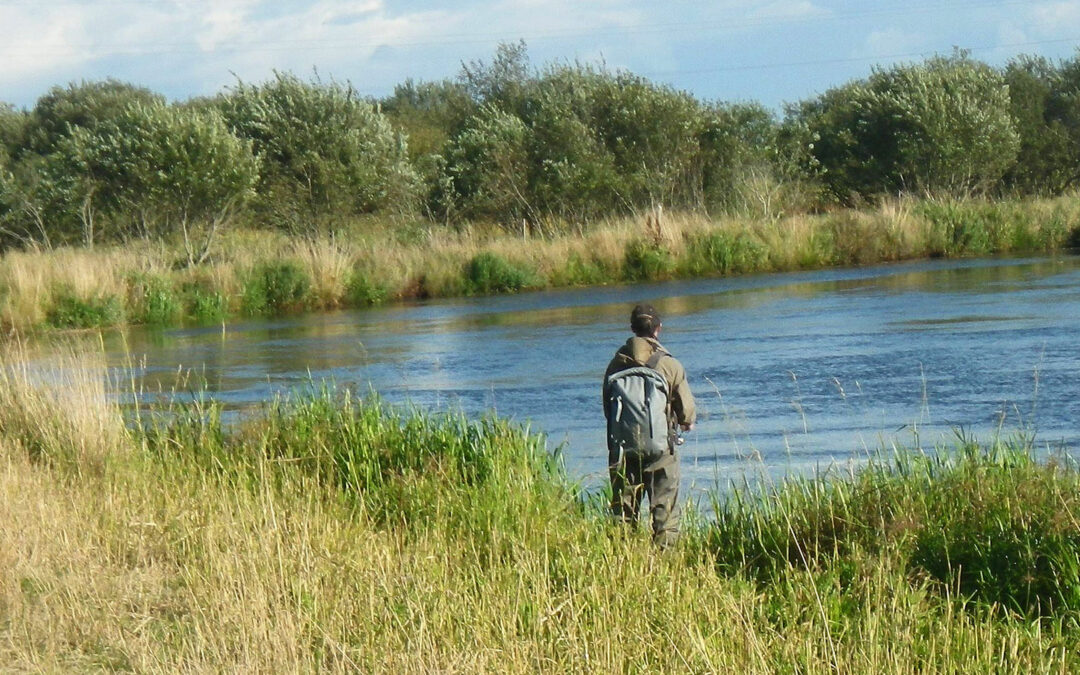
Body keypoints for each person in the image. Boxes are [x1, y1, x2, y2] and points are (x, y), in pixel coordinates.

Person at [602, 303, 696, 547]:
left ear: (632, 328)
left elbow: (607, 411)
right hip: (661, 449)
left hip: (623, 450)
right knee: (665, 513)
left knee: (623, 515)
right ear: (658, 329)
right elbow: (687, 416)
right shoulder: (669, 364)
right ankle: (665, 566)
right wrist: (683, 422)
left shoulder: (615, 364)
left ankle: (622, 563)